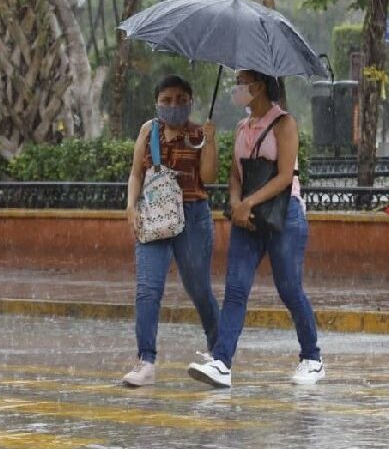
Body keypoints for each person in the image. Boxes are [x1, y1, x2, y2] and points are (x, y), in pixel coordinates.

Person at [187, 69, 324, 388]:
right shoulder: (240, 127)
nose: (236, 89)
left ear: (259, 86)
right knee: (235, 288)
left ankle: (312, 357)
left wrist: (248, 203)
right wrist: (237, 203)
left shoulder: (284, 123)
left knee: (289, 288)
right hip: (246, 219)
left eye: (240, 83)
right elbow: (235, 174)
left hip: (283, 215)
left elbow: (285, 176)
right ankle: (222, 361)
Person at [121, 75, 220, 386]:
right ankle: (146, 360)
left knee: (199, 288)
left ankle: (220, 354)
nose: (173, 105)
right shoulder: (148, 131)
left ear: (190, 101)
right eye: (166, 100)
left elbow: (209, 177)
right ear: (156, 103)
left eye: (181, 99)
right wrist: (131, 206)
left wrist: (211, 140)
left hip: (193, 218)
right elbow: (136, 173)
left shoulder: (198, 134)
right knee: (148, 289)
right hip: (154, 217)